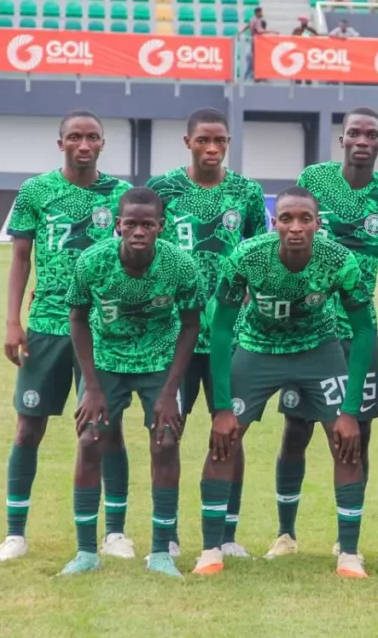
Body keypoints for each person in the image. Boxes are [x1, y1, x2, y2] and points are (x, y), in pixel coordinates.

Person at [193, 187, 376, 579]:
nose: (295, 227)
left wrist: (349, 410)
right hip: (257, 348)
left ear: (317, 223)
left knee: (346, 441)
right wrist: (222, 407)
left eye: (305, 219)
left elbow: (363, 332)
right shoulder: (246, 256)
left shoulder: (339, 260)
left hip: (318, 348)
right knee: (224, 438)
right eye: (287, 218)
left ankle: (349, 554)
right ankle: (210, 551)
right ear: (274, 222)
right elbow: (222, 329)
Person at [265, 108, 378, 561]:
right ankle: (285, 533)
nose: (362, 141)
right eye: (354, 134)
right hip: (308, 329)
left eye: (371, 135)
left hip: (357, 330)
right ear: (341, 139)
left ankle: (347, 538)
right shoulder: (315, 178)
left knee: (357, 433)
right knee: (296, 428)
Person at [0, 111, 133, 564]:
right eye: (75, 136)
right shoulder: (36, 191)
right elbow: (20, 257)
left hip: (104, 328)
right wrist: (13, 321)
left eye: (92, 136)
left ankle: (114, 533)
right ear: (61, 144)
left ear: (103, 143)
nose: (84, 144)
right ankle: (15, 533)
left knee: (105, 429)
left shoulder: (120, 195)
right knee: (28, 427)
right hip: (48, 324)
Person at [60, 187, 204, 577]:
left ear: (160, 226)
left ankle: (160, 552)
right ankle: (87, 552)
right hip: (106, 359)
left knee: (166, 439)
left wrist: (171, 391)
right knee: (90, 438)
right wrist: (91, 387)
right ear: (118, 226)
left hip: (159, 360)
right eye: (130, 224)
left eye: (147, 224)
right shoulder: (92, 262)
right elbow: (76, 318)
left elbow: (191, 325)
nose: (138, 231)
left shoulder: (180, 265)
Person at [145, 107, 268, 559]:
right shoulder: (163, 189)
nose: (212, 150)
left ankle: (227, 535)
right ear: (188, 142)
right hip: (171, 335)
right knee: (165, 434)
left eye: (220, 142)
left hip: (229, 338)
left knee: (230, 434)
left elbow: (259, 255)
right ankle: (169, 534)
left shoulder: (248, 193)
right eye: (203, 141)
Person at [239, 8, 270, 81]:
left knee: (255, 63)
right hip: (253, 45)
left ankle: (257, 77)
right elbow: (260, 31)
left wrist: (241, 32)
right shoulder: (255, 20)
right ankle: (249, 78)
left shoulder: (254, 20)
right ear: (257, 12)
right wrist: (273, 31)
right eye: (260, 12)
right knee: (251, 62)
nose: (262, 13)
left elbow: (248, 26)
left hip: (255, 45)